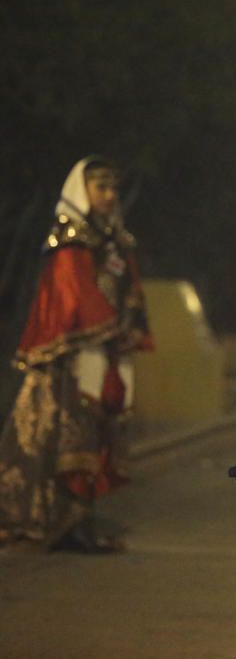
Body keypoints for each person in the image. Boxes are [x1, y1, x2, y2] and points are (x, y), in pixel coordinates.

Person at [0, 156, 153, 553]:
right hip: (67, 361)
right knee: (61, 439)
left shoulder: (117, 240)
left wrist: (128, 328)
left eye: (113, 188)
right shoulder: (70, 240)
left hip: (104, 354)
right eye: (100, 187)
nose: (109, 195)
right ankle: (47, 519)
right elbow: (73, 296)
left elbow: (130, 290)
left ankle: (77, 520)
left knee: (95, 435)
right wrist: (108, 327)